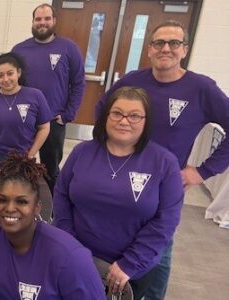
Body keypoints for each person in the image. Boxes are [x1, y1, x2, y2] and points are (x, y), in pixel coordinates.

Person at [95, 20, 229, 299]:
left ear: (185, 49)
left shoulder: (201, 88)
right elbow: (102, 109)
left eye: (174, 43)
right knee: (120, 239)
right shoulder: (132, 80)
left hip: (164, 187)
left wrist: (202, 172)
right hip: (121, 179)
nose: (165, 48)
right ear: (149, 50)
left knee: (158, 251)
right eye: (159, 43)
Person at [55, 87, 184, 299]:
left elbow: (166, 221)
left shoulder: (164, 163)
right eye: (116, 113)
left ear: (146, 121)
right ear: (106, 116)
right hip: (74, 260)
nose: (124, 121)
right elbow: (61, 196)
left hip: (127, 272)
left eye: (134, 115)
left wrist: (129, 264)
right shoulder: (82, 152)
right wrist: (70, 248)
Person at [0, 152, 105, 299]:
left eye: (21, 202)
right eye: (2, 200)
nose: (9, 208)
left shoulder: (70, 257)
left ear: (37, 207)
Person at [12, 3, 85, 194]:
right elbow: (10, 83)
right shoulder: (19, 50)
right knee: (18, 164)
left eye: (46, 19)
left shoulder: (69, 48)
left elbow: (78, 83)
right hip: (24, 120)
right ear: (33, 22)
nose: (42, 23)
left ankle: (51, 210)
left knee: (50, 170)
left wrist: (67, 114)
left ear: (54, 21)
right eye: (38, 19)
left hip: (53, 122)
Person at [0, 52, 52, 168]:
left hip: (23, 159)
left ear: (19, 73)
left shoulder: (35, 96)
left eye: (10, 73)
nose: (5, 79)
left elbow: (44, 127)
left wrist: (32, 153)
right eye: (0, 75)